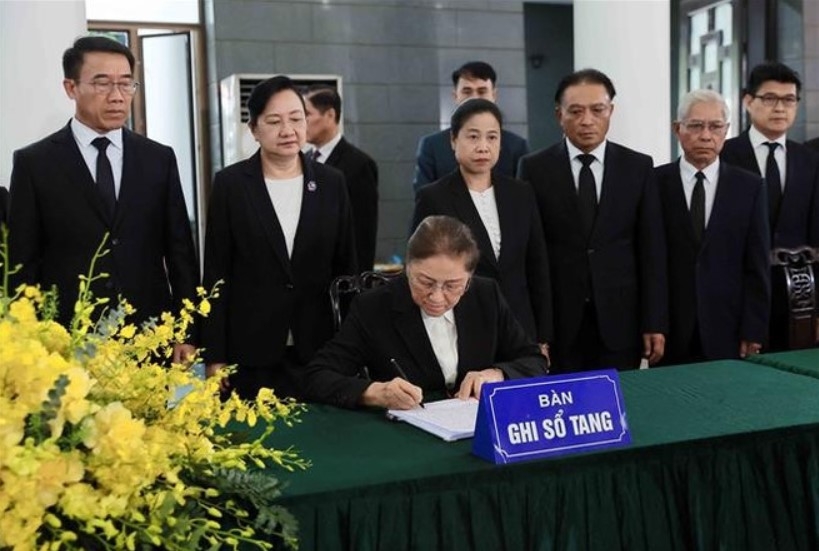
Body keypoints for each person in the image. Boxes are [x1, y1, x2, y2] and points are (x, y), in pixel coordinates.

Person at [8, 36, 199, 363]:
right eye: (102, 84)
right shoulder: (35, 163)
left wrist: (187, 329)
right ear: (71, 88)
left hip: (148, 333)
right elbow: (23, 263)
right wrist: (27, 339)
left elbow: (179, 250)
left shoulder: (158, 159)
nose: (117, 97)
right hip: (67, 339)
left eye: (127, 84)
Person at [202, 76, 357, 400]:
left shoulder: (332, 183)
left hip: (318, 348)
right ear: (254, 129)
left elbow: (346, 270)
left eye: (296, 119)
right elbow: (216, 273)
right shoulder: (231, 186)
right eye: (274, 121)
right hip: (248, 350)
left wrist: (352, 347)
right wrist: (214, 355)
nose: (288, 130)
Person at [301, 215, 547, 410]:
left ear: (469, 279)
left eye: (452, 286)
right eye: (426, 282)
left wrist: (497, 375)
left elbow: (533, 361)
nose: (437, 297)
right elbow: (317, 377)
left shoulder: (486, 295)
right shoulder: (374, 307)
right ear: (407, 268)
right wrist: (375, 392)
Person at [517, 68, 667, 373]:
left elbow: (652, 250)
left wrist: (654, 321)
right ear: (559, 115)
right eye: (576, 111)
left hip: (621, 319)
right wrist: (536, 331)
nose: (587, 120)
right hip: (559, 321)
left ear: (611, 111)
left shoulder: (638, 167)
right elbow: (531, 254)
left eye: (597, 110)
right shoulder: (534, 168)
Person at [411, 98, 552, 356]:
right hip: (462, 326)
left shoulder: (521, 193)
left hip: (520, 326)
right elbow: (419, 267)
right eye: (473, 137)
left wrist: (542, 335)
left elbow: (537, 266)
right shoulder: (433, 197)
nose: (483, 147)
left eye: (492, 137)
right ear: (453, 140)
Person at [656, 89, 770, 364]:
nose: (706, 135)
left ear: (727, 130)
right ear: (677, 129)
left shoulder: (749, 186)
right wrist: (651, 322)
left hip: (728, 325)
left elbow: (757, 264)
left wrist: (753, 328)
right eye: (695, 126)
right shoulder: (655, 183)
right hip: (671, 326)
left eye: (715, 126)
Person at [720, 62, 819, 350]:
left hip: (797, 295)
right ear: (748, 101)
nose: (780, 108)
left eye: (788, 100)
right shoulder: (725, 156)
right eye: (770, 98)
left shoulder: (809, 160)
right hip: (739, 294)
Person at [413, 61, 529, 194]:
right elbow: (423, 198)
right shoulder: (432, 146)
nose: (474, 98)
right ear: (455, 96)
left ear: (494, 95)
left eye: (482, 91)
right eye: (467, 92)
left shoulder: (517, 146)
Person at [304, 85, 379, 270]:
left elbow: (362, 232)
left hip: (338, 275)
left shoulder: (358, 164)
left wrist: (355, 285)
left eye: (307, 114)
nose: (300, 122)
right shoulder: (303, 161)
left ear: (329, 115)